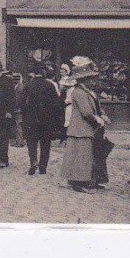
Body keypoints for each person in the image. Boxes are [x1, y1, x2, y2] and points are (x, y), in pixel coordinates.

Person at [60, 59, 105, 193]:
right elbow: (86, 112)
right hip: (81, 129)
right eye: (91, 79)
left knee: (85, 155)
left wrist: (102, 115)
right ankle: (80, 183)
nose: (93, 81)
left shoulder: (88, 92)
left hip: (86, 129)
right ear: (84, 80)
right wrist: (98, 119)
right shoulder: (79, 92)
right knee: (82, 156)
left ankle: (89, 180)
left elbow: (96, 106)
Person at [21, 63, 62, 175]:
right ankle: (43, 167)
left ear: (34, 73)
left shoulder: (28, 85)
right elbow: (56, 104)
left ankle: (33, 162)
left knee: (32, 143)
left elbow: (21, 103)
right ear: (43, 72)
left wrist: (26, 115)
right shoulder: (49, 85)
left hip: (31, 120)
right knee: (45, 144)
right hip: (46, 120)